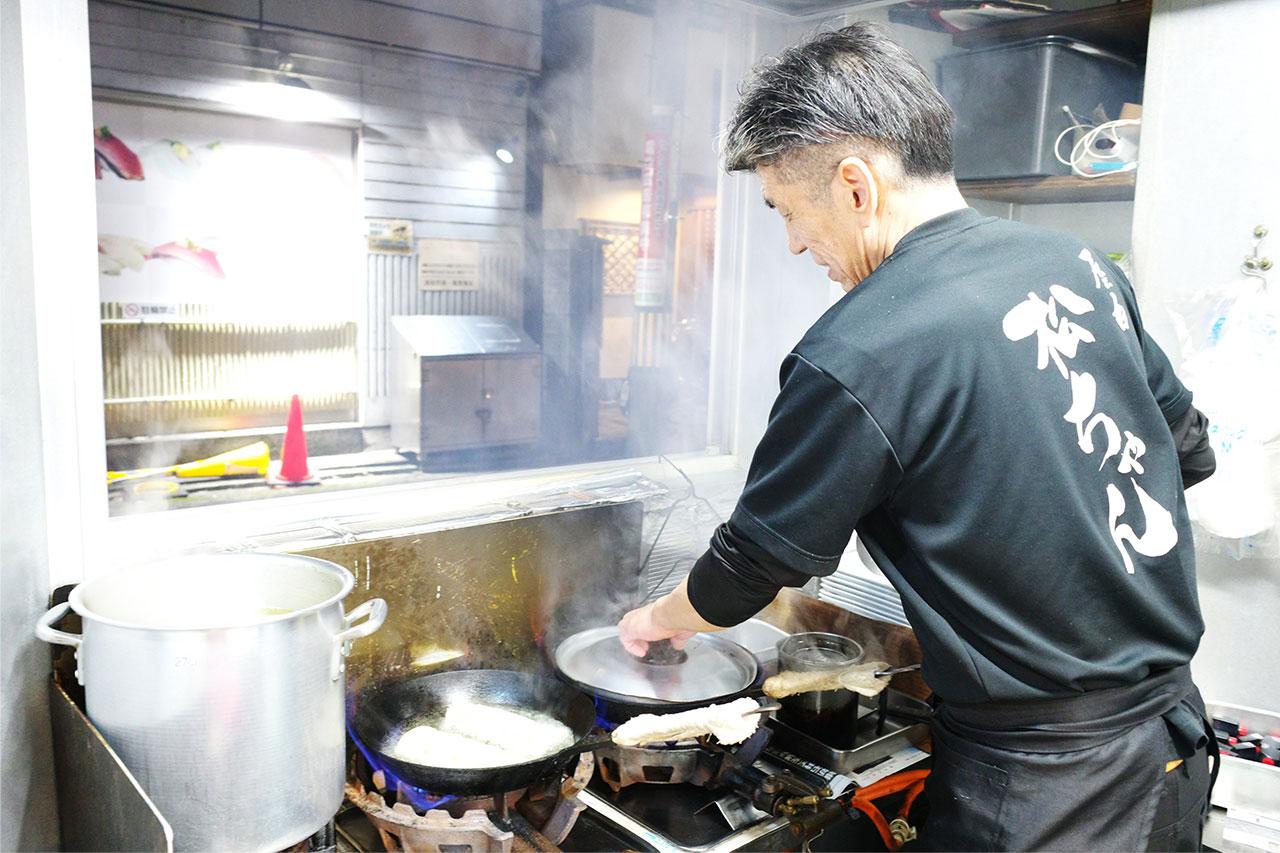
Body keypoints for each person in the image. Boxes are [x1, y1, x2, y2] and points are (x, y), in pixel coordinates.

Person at [616, 22, 1218, 852]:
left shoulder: (858, 349)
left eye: (789, 211)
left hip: (1048, 788)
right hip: (1175, 739)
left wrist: (657, 619)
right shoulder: (1080, 268)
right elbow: (1187, 450)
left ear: (856, 185)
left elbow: (752, 567)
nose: (795, 242)